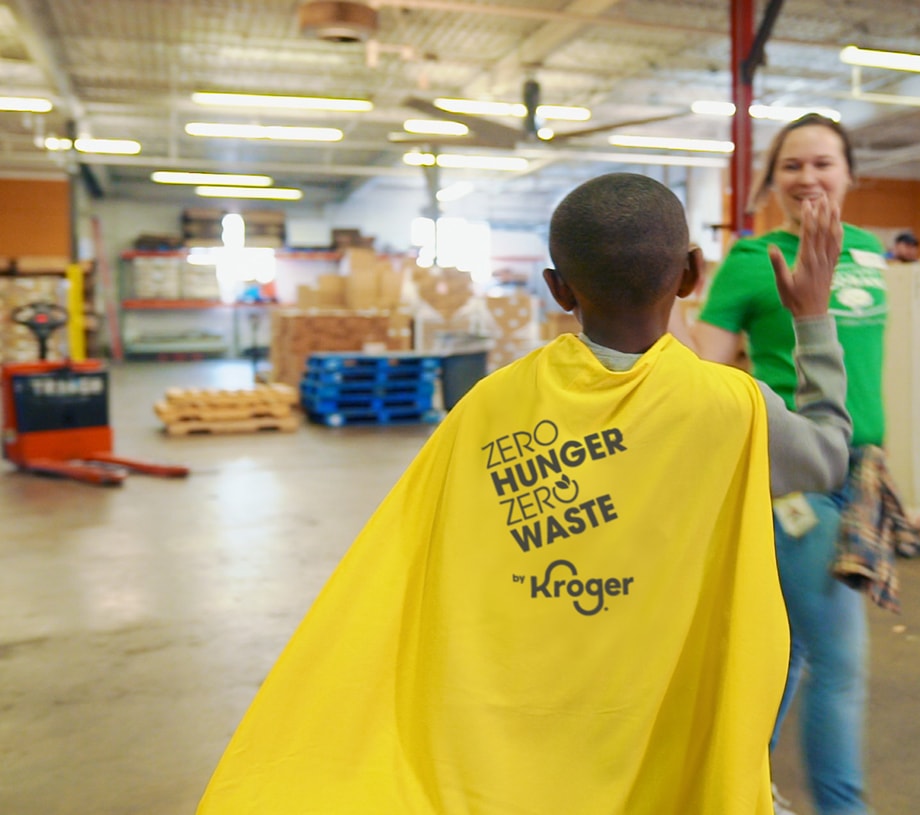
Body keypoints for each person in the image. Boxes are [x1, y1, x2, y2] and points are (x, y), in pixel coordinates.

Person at [196, 172, 851, 815]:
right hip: (661, 732)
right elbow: (828, 456)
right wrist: (813, 320)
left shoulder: (489, 406)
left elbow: (415, 556)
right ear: (691, 275)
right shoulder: (732, 408)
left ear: (558, 289)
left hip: (510, 754)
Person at [675, 114, 887, 815]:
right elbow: (703, 367)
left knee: (791, 653)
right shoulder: (751, 259)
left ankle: (732, 788)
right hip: (798, 476)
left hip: (861, 473)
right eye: (791, 165)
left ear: (850, 173)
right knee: (838, 665)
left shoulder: (869, 253)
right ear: (772, 180)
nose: (808, 178)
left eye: (823, 163)